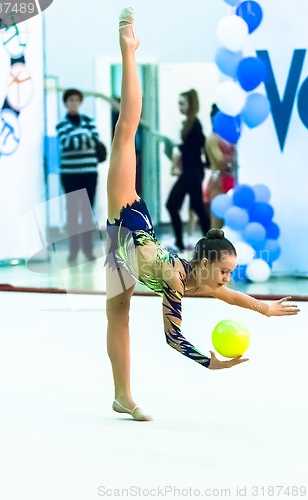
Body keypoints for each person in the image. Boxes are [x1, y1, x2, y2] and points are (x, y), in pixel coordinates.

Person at [105, 8, 300, 422]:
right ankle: (129, 49)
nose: (228, 280)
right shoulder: (178, 279)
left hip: (119, 255)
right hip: (126, 218)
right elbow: (173, 337)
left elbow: (235, 297)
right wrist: (211, 364)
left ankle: (122, 395)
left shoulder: (204, 282)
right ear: (209, 263)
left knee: (117, 317)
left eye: (230, 273)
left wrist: (265, 310)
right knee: (127, 129)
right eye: (226, 271)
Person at [56, 88, 103, 263]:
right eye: (71, 100)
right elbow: (67, 143)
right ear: (66, 102)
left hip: (89, 173)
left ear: (80, 102)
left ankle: (88, 249)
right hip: (70, 174)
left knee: (87, 211)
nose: (74, 103)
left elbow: (94, 141)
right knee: (72, 212)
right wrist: (84, 136)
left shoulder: (89, 121)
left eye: (77, 100)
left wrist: (78, 137)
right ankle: (73, 250)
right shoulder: (61, 124)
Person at [165, 89, 210, 251]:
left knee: (172, 204)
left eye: (182, 103)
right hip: (192, 172)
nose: (179, 107)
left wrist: (180, 147)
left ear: (191, 105)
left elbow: (197, 146)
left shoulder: (194, 125)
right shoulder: (189, 124)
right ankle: (209, 242)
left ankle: (181, 242)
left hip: (192, 173)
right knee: (195, 207)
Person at [205, 104, 237, 228]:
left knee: (231, 221)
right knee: (217, 223)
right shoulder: (212, 138)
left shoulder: (230, 137)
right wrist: (233, 160)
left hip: (230, 179)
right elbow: (219, 160)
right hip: (218, 180)